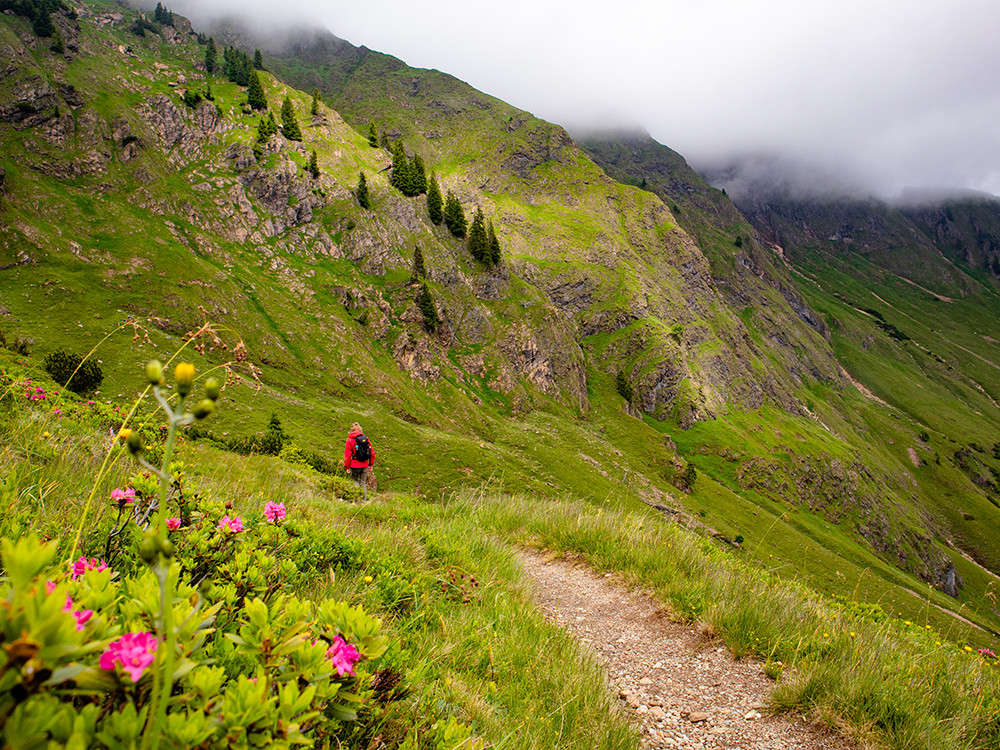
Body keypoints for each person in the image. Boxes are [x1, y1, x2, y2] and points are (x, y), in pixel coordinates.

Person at [344, 422, 374, 501]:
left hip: (354, 465)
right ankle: (364, 500)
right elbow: (372, 452)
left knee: (354, 480)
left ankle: (356, 499)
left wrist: (347, 467)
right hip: (364, 464)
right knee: (363, 482)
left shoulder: (349, 440)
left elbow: (347, 456)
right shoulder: (365, 438)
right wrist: (370, 465)